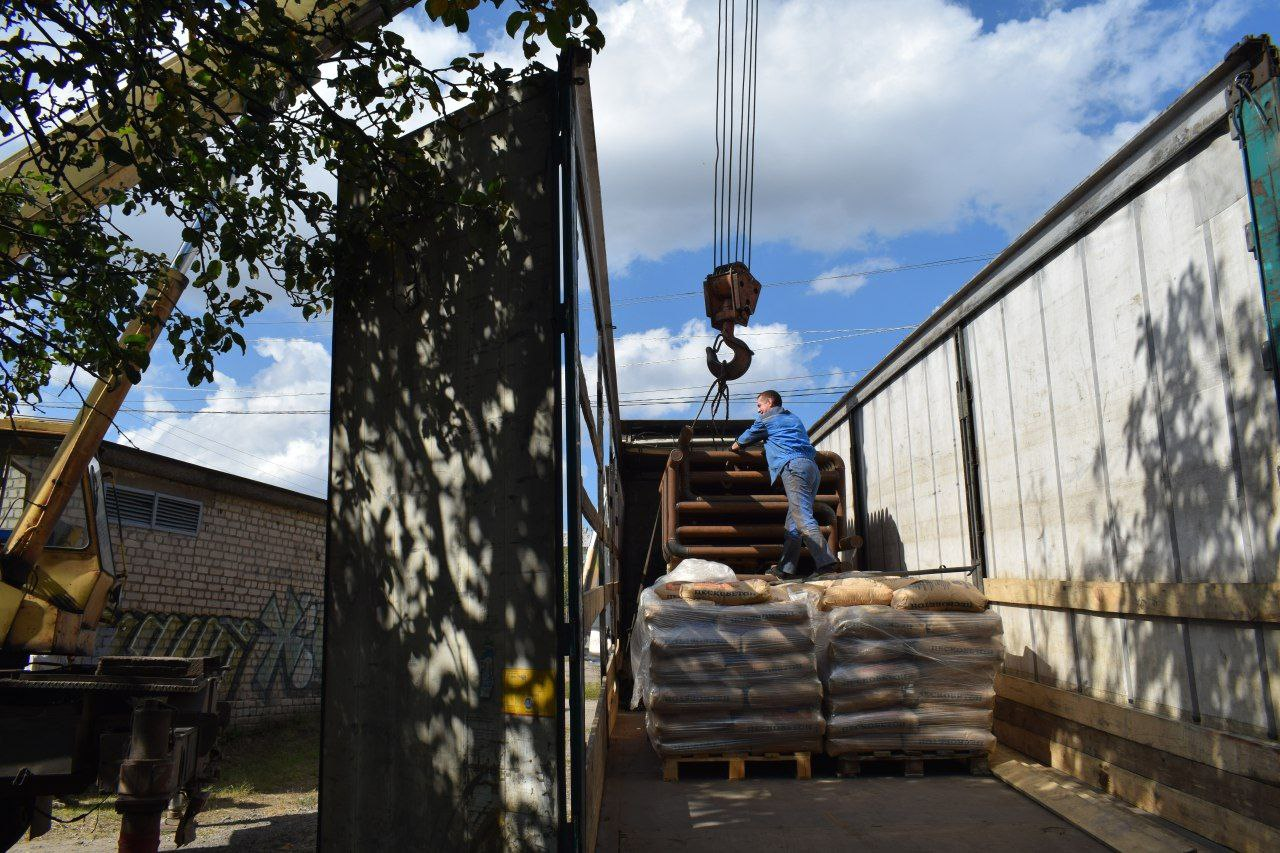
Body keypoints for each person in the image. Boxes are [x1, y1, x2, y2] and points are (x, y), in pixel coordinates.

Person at [731, 390, 845, 579]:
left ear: (770, 402)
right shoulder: (794, 418)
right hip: (811, 469)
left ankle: (827, 563)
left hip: (793, 468)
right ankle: (786, 569)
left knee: (802, 518)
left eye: (759, 405)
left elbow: (744, 440)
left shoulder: (767, 419)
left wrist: (733, 447)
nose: (758, 410)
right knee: (793, 524)